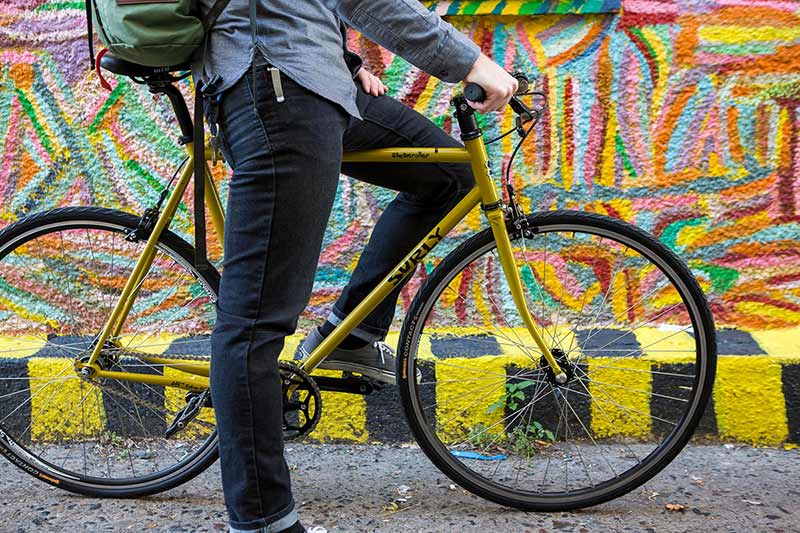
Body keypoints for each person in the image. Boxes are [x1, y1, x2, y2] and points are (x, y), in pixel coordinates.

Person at [195, 1, 518, 531]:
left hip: (313, 83)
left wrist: (342, 60)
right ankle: (262, 521)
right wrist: (470, 62)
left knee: (447, 175)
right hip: (279, 92)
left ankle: (354, 333)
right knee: (256, 320)